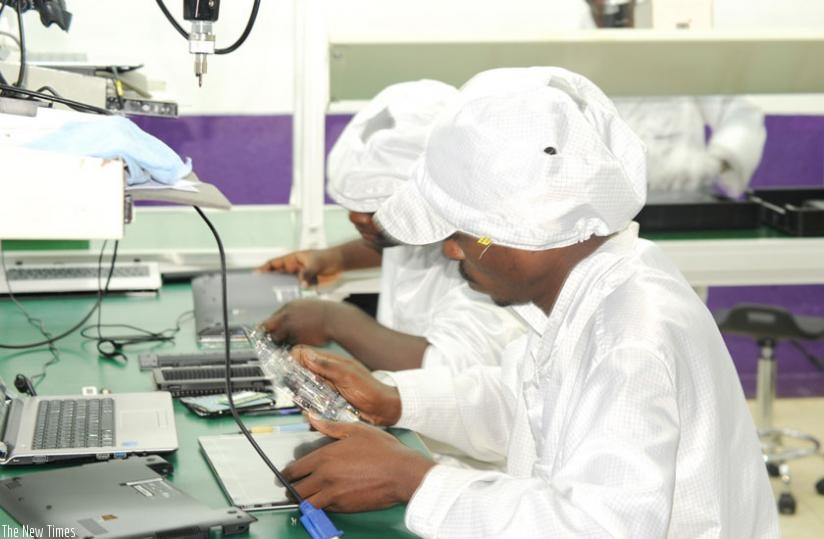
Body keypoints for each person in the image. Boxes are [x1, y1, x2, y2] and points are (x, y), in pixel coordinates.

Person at [278, 67, 779, 537]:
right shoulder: (587, 292)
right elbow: (524, 408)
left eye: (462, 234)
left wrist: (416, 481)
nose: (452, 251)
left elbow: (597, 527)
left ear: (529, 226)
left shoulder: (630, 336)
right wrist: (396, 398)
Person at [258, 79, 524, 373]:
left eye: (377, 208)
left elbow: (448, 372)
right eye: (353, 205)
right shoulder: (422, 225)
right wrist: (335, 257)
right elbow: (403, 246)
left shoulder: (493, 260)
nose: (356, 218)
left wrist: (334, 321)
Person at [583, 0, 767, 197]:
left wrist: (717, 162)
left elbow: (741, 113)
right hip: (606, 207)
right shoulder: (574, 50)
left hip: (685, 202)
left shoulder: (674, 39)